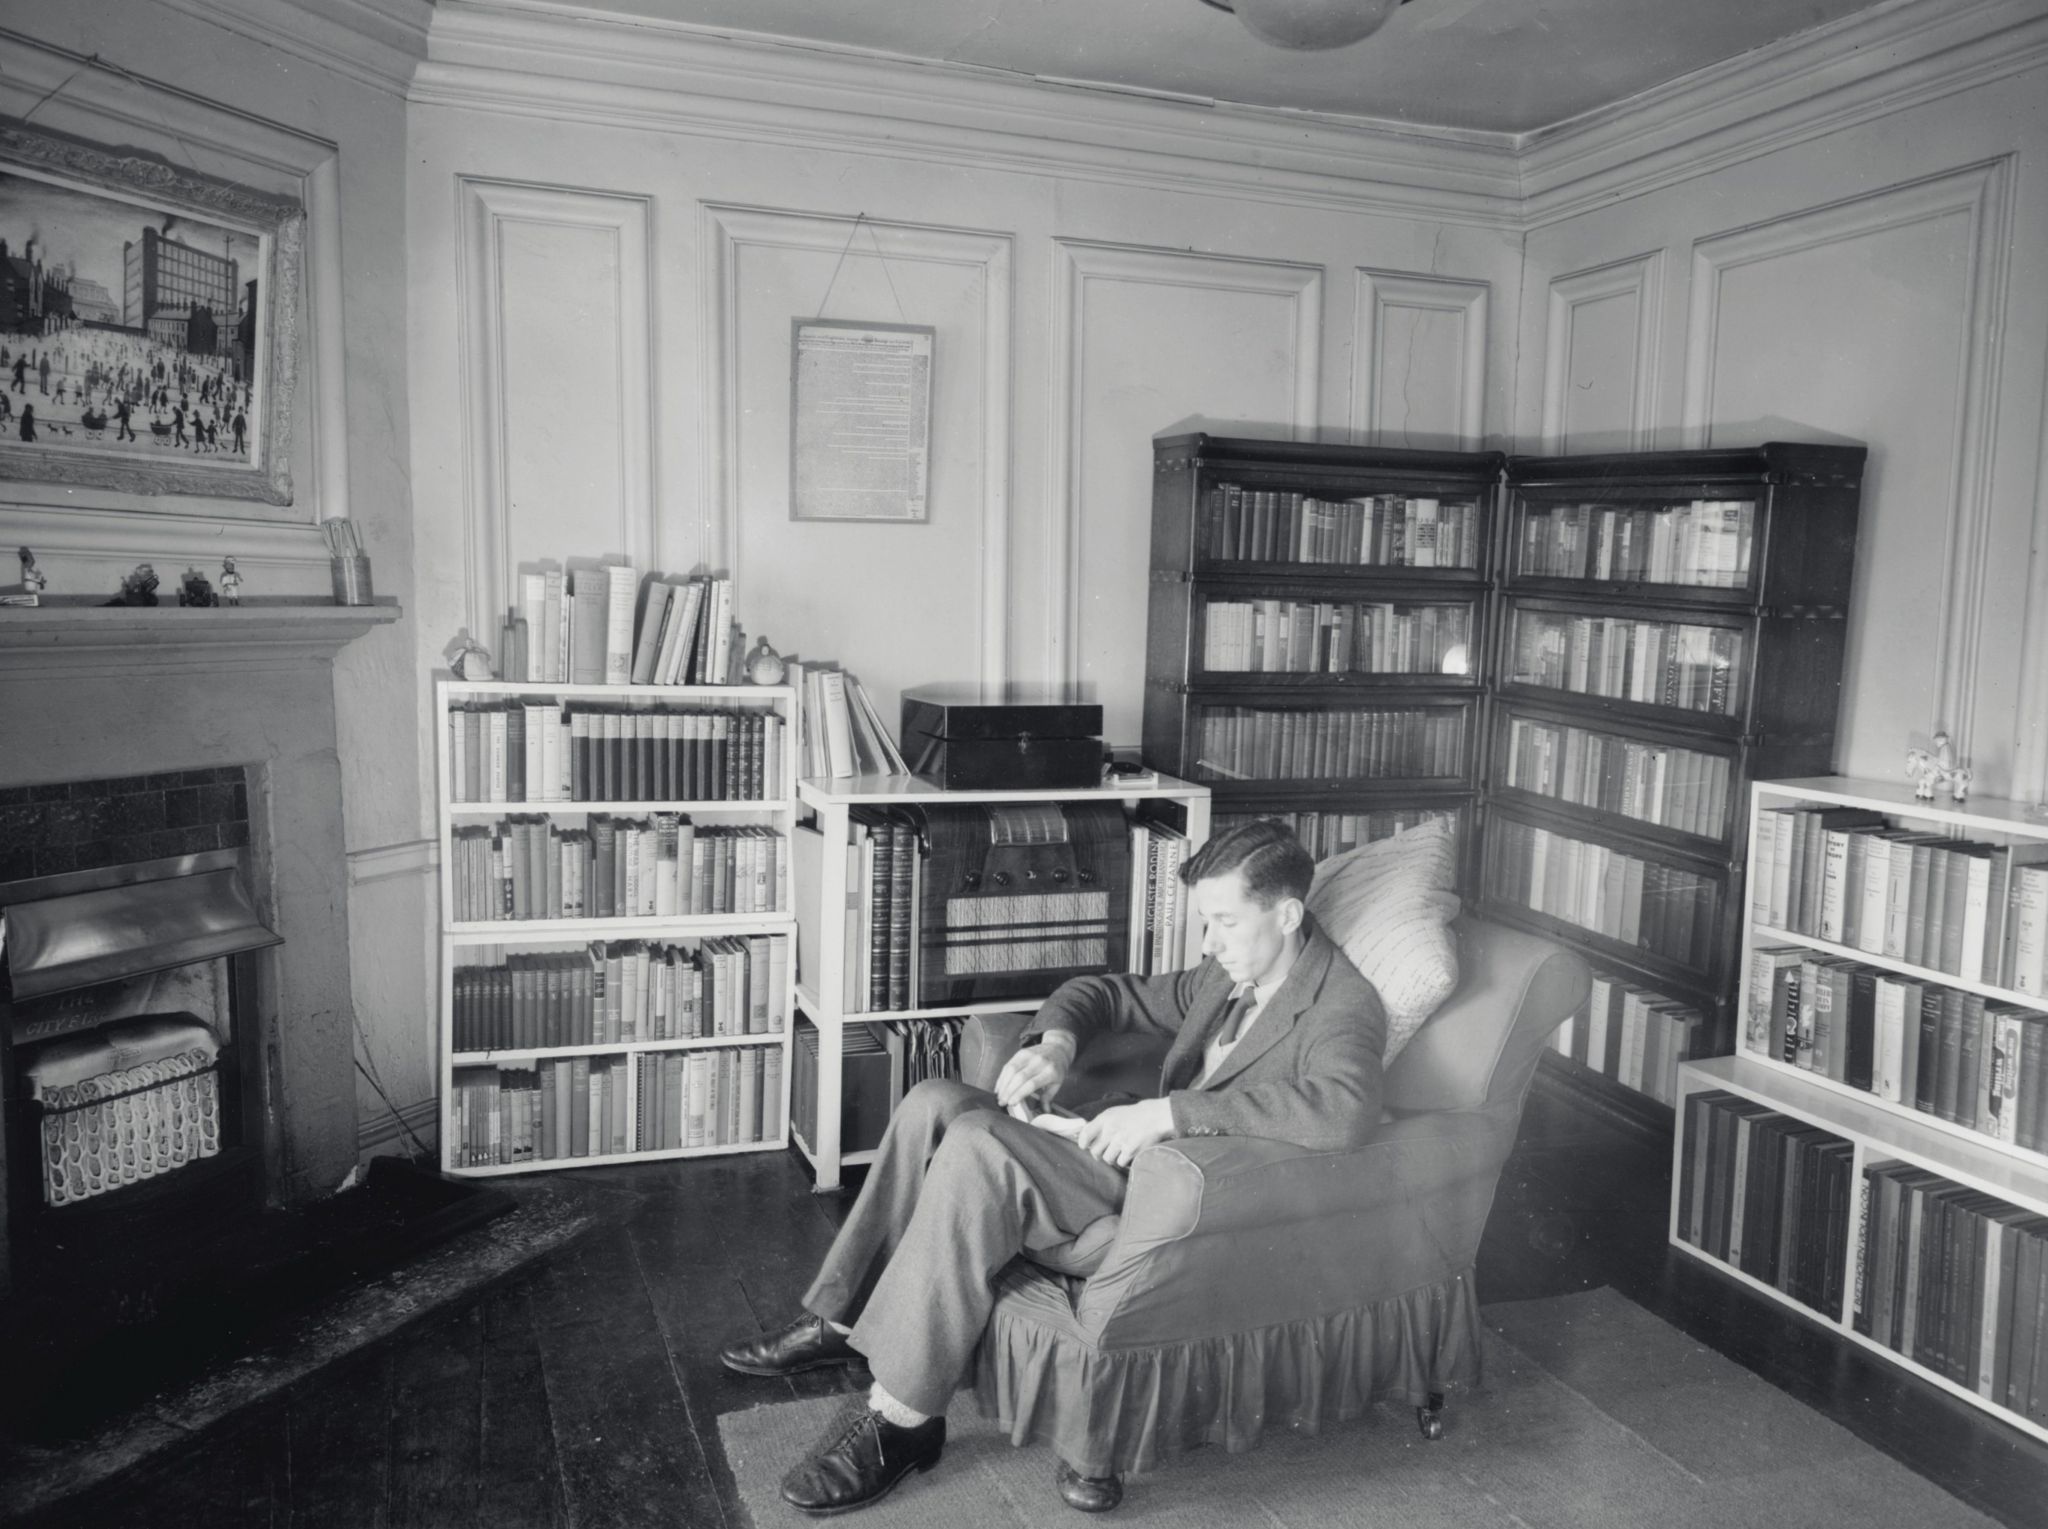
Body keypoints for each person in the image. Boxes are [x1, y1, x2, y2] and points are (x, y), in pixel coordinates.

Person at [720, 820, 1386, 1517]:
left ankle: (903, 1420)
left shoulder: (1341, 1003)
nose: (1209, 944)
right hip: (1114, 1148)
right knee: (933, 1101)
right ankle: (843, 1318)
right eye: (1205, 924)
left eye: (1224, 922)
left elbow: (1343, 1109)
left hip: (1177, 1185)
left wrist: (1169, 1115)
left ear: (1286, 914)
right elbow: (1104, 993)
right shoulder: (1230, 971)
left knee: (980, 1143)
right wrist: (1059, 1043)